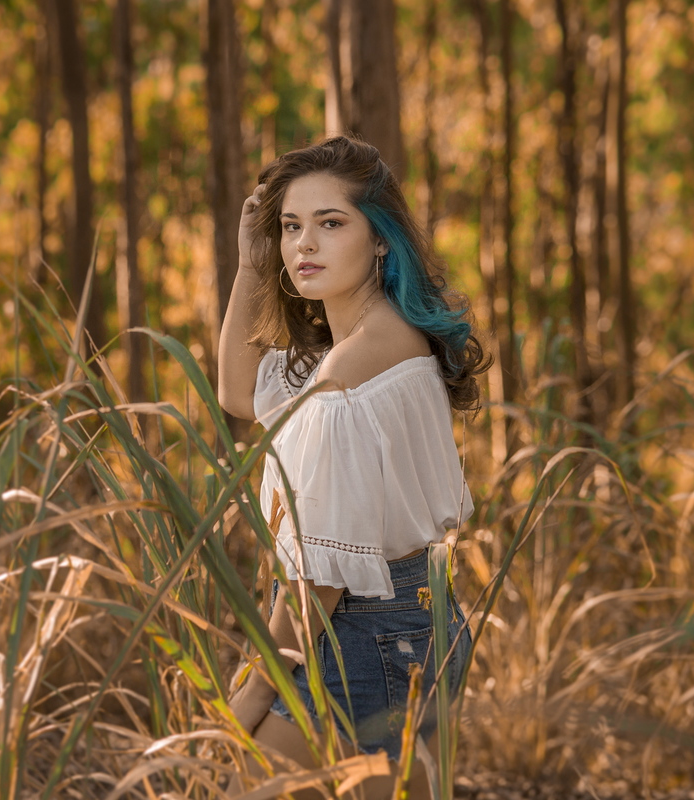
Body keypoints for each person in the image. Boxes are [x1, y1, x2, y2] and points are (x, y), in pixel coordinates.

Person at [217, 135, 490, 798]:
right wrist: (253, 262)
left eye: (330, 223)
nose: (303, 244)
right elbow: (235, 391)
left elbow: (322, 576)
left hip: (362, 636)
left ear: (380, 240)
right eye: (290, 227)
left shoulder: (349, 372)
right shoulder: (378, 338)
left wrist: (256, 693)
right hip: (409, 622)